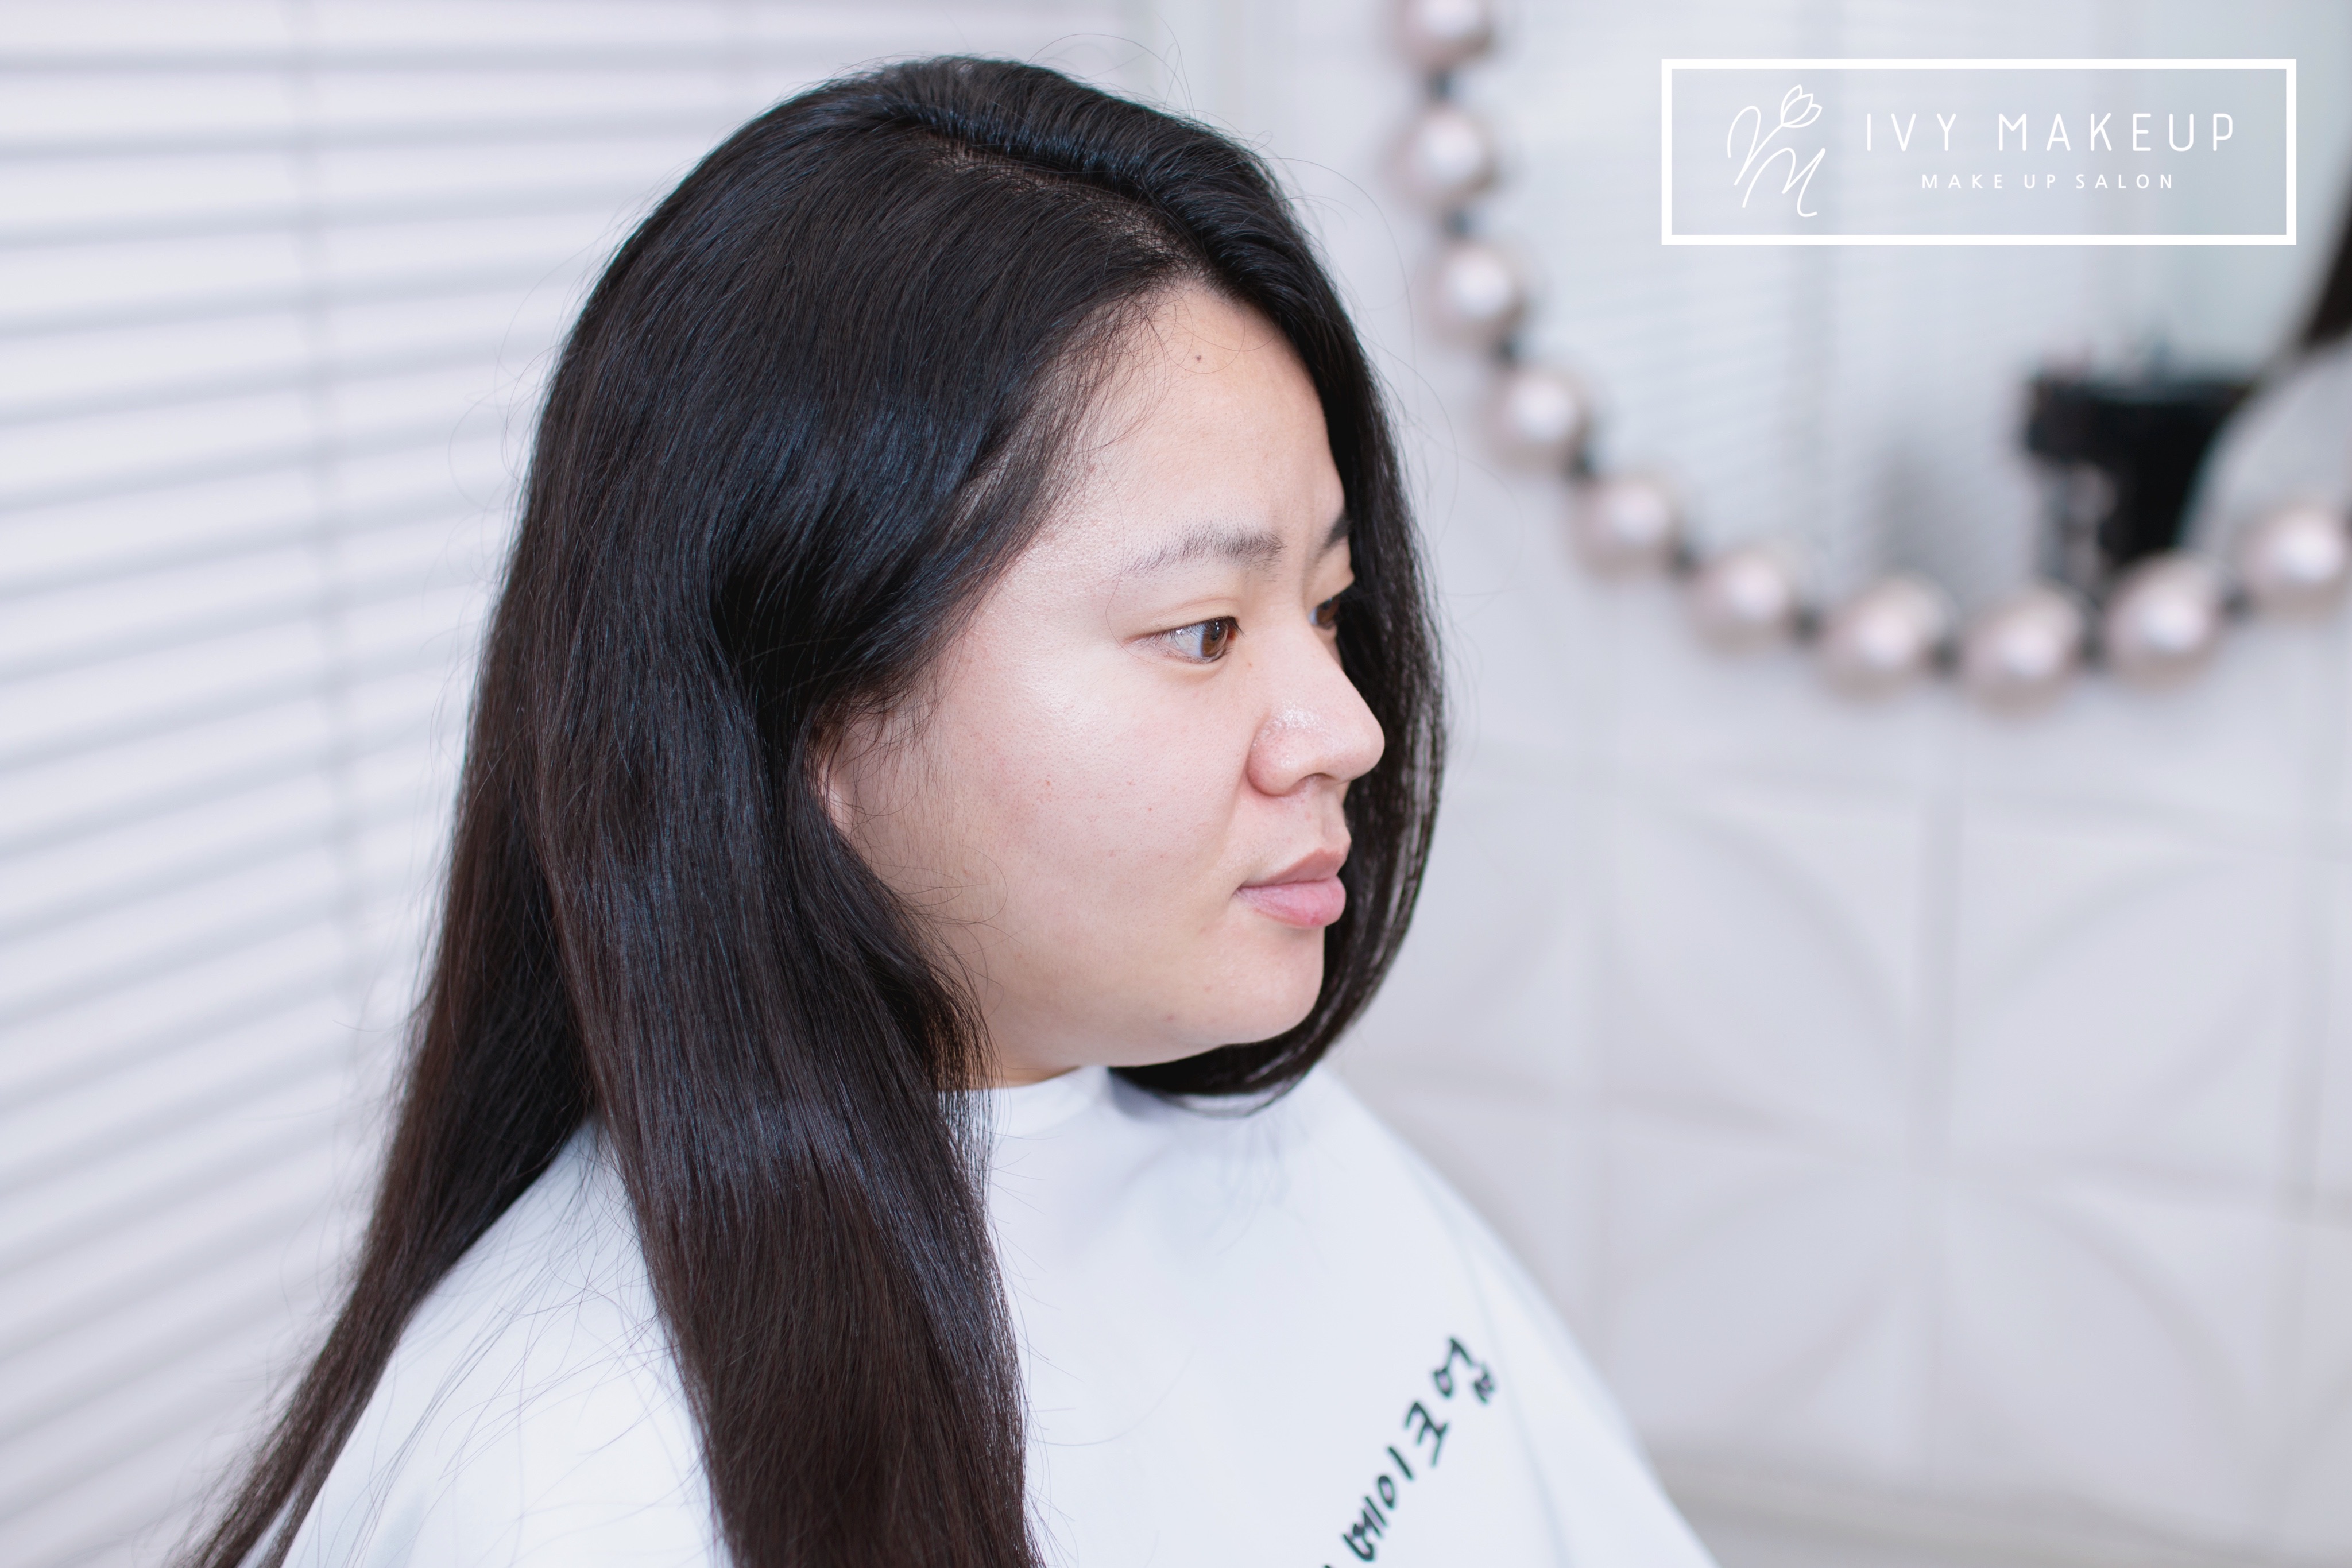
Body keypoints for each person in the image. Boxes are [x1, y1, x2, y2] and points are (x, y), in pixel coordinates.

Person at [192, 57, 1713, 1568]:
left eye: (1325, 605)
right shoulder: (569, 1492)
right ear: (815, 721)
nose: (1351, 728)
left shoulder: (1269, 1140)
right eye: (1202, 631)